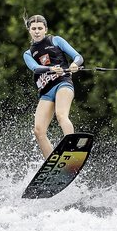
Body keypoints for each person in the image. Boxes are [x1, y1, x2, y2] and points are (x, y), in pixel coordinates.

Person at [22, 14, 84, 159]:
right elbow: (35, 68)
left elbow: (78, 57)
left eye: (39, 28)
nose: (37, 31)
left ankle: (72, 149)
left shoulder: (56, 40)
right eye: (33, 29)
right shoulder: (28, 53)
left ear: (45, 29)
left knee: (61, 115)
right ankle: (51, 162)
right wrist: (50, 69)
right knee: (38, 131)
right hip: (46, 91)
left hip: (63, 83)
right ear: (29, 31)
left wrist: (74, 64)